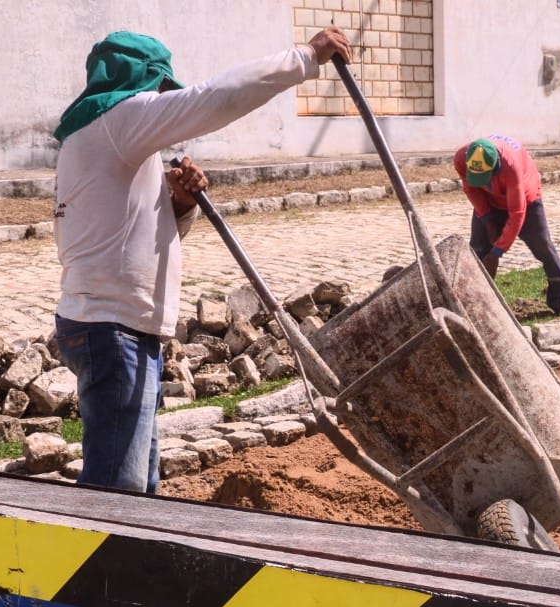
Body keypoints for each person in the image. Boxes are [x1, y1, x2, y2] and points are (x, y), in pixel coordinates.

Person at [52, 27, 351, 493]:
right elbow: (216, 97)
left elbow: (139, 230)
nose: (163, 102)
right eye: (161, 89)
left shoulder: (103, 136)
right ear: (143, 81)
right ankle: (104, 566)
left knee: (135, 482)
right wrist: (306, 57)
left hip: (114, 324)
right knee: (116, 497)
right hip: (112, 329)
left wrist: (181, 203)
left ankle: (124, 561)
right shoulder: (120, 119)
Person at [454, 136, 560, 318]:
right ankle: (472, 304)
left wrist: (497, 253)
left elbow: (517, 213)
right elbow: (472, 189)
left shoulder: (511, 167)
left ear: (496, 166)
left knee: (542, 245)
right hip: (489, 201)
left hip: (525, 199)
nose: (481, 181)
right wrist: (488, 221)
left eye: (484, 177)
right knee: (478, 250)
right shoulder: (462, 158)